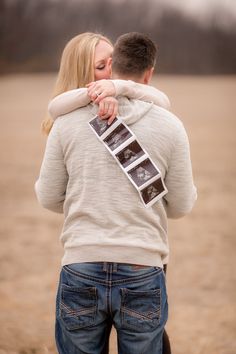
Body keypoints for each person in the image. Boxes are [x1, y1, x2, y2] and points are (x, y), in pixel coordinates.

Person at [35, 32, 197, 353]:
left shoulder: (66, 124)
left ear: (115, 65)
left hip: (82, 263)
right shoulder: (170, 124)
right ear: (148, 72)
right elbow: (180, 206)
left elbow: (49, 197)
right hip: (142, 266)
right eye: (98, 66)